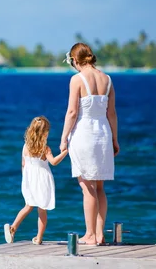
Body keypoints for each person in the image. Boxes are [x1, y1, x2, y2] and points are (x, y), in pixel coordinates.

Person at [59, 42, 119, 246]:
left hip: (84, 133)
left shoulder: (77, 79)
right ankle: (100, 234)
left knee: (87, 186)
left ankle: (90, 235)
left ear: (75, 60)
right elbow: (111, 114)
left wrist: (63, 138)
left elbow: (72, 112)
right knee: (99, 186)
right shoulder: (108, 79)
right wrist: (114, 139)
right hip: (103, 132)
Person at [4, 116, 69, 245]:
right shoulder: (45, 149)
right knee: (42, 209)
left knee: (28, 206)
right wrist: (66, 152)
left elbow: (23, 164)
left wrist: (25, 180)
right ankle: (39, 238)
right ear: (45, 132)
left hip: (28, 180)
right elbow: (54, 162)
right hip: (42, 180)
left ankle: (13, 228)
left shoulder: (26, 147)